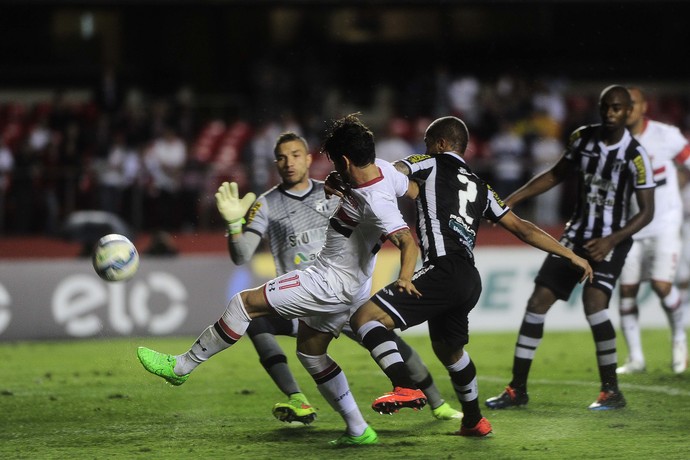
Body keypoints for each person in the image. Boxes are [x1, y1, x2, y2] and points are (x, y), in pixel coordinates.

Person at [136, 113, 421, 446]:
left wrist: (404, 277)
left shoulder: (376, 201)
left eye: (335, 163)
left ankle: (181, 367)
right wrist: (340, 182)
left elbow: (406, 240)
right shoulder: (385, 171)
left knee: (242, 305)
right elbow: (412, 187)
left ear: (346, 160)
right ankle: (359, 429)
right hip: (353, 284)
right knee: (312, 354)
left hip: (327, 281)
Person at [346, 115, 593, 437]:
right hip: (468, 278)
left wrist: (353, 177)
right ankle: (474, 420)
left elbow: (388, 173)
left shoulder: (429, 163)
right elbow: (522, 228)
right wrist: (570, 254)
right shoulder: (481, 187)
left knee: (366, 318)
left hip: (443, 269)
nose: (424, 149)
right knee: (450, 352)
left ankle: (405, 387)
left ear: (441, 144)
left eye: (427, 144)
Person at [227, 131, 462, 424]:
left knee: (390, 343)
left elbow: (396, 201)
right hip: (303, 297)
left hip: (343, 292)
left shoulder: (339, 187)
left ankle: (438, 403)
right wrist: (234, 223)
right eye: (282, 157)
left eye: (296, 155)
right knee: (256, 321)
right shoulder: (267, 204)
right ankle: (297, 399)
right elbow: (241, 255)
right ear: (275, 163)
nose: (289, 162)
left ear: (309, 159)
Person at [485, 85, 655, 411]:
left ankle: (611, 391)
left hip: (610, 241)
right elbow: (555, 175)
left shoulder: (636, 155)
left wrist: (611, 240)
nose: (609, 113)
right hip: (575, 236)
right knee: (537, 302)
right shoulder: (582, 139)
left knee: (594, 305)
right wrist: (513, 200)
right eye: (605, 107)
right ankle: (516, 389)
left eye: (617, 108)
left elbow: (647, 211)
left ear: (628, 111)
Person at [616, 87, 690, 375]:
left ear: (644, 107)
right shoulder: (615, 142)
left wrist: (680, 188)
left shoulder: (666, 135)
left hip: (666, 224)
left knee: (661, 286)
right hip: (632, 227)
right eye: (623, 104)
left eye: (633, 103)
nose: (629, 108)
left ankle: (679, 342)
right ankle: (636, 358)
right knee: (627, 291)